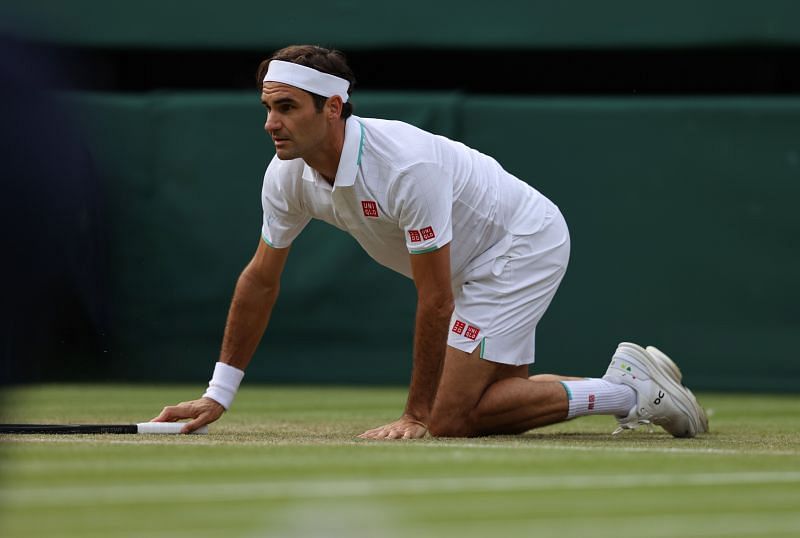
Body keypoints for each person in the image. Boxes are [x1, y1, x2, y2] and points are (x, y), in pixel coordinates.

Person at [154, 45, 708, 439]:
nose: (272, 123)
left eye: (287, 108)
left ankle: (630, 395)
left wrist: (416, 414)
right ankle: (626, 386)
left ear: (332, 108)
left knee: (449, 419)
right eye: (269, 109)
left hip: (519, 244)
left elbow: (436, 298)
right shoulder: (286, 176)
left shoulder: (403, 167)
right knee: (491, 407)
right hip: (474, 261)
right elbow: (260, 279)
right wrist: (217, 394)